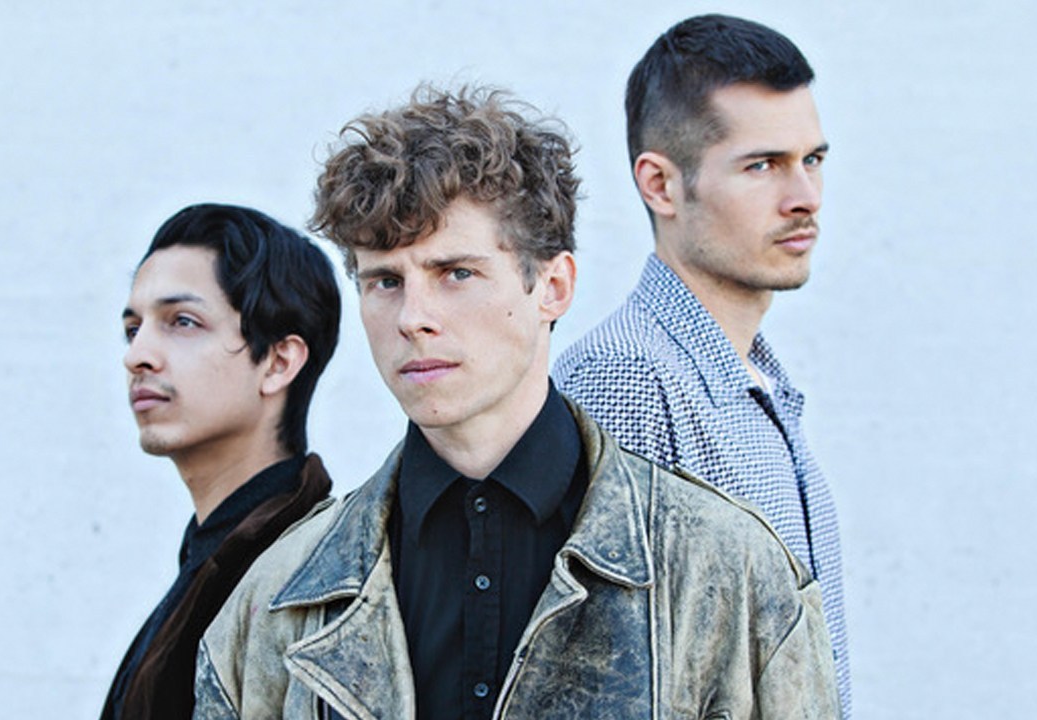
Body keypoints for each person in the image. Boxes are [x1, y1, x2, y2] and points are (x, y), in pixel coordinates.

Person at [194, 86, 839, 719]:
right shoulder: (276, 600)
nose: (413, 318)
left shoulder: (730, 571)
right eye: (385, 281)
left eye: (457, 273)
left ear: (552, 287)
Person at [552, 13, 851, 715]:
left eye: (812, 160)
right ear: (660, 184)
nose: (804, 197)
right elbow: (604, 681)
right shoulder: (627, 378)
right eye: (762, 165)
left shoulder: (758, 380)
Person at [100, 203, 341, 720]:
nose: (137, 355)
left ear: (277, 362)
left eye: (182, 322)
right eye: (133, 328)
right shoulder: (219, 556)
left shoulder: (303, 582)